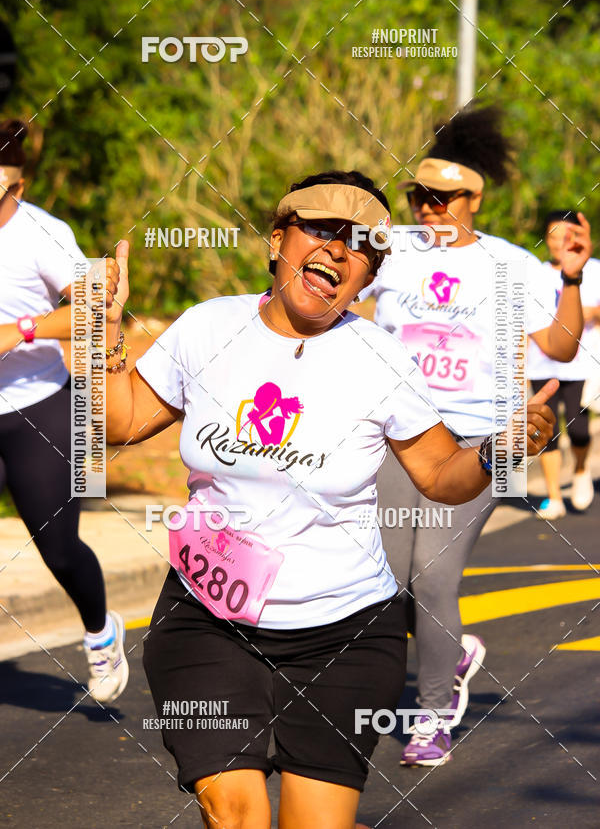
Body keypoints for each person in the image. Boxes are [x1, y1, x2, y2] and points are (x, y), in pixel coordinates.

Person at [103, 169, 555, 827]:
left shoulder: (380, 357)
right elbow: (114, 423)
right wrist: (97, 332)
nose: (340, 249)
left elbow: (440, 475)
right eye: (321, 229)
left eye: (363, 243)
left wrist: (498, 449)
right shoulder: (207, 328)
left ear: (368, 276)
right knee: (237, 816)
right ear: (278, 238)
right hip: (208, 621)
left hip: (345, 637)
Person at [358, 105, 591, 767]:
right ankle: (452, 653)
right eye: (418, 197)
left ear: (473, 200)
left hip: (482, 438)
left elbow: (560, 345)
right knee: (387, 579)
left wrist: (571, 275)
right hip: (400, 434)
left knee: (432, 576)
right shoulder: (393, 250)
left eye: (443, 199)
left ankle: (431, 717)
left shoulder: (509, 265)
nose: (429, 209)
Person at [0, 119, 128, 704]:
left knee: (59, 546)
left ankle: (102, 633)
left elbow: (94, 311)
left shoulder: (43, 236)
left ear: (16, 189)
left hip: (42, 407)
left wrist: (19, 330)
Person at [528, 210, 600, 518]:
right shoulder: (535, 272)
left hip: (579, 364)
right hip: (541, 364)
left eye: (566, 236)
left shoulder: (592, 269)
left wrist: (577, 310)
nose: (559, 243)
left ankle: (582, 469)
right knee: (545, 430)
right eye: (554, 236)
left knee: (579, 426)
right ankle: (555, 497)